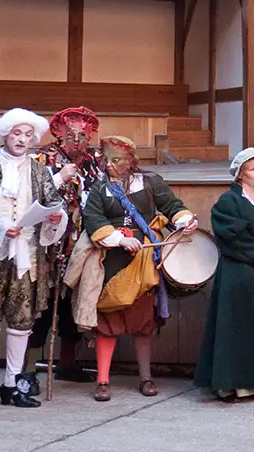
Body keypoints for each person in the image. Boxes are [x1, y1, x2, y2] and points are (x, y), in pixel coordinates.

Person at [83, 135, 196, 402]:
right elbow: (93, 219)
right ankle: (102, 380)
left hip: (145, 261)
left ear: (131, 160)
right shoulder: (99, 189)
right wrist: (120, 239)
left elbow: (172, 207)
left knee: (143, 323)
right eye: (106, 159)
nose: (109, 165)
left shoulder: (150, 182)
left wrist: (185, 221)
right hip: (111, 262)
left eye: (116, 159)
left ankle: (146, 377)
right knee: (107, 323)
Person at [194, 147, 254, 402]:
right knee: (235, 328)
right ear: (240, 174)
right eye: (252, 169)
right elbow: (230, 236)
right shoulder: (229, 202)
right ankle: (229, 384)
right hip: (238, 274)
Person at [0, 109, 67, 408]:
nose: (22, 139)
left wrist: (56, 217)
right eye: (17, 134)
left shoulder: (39, 171)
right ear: (6, 134)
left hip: (27, 254)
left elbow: (52, 204)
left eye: (27, 135)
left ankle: (13, 383)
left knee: (21, 318)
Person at [30, 106, 102, 383]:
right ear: (58, 132)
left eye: (82, 134)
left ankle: (68, 363)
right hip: (47, 243)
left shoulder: (95, 161)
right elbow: (34, 194)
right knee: (41, 304)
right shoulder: (42, 159)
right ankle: (27, 369)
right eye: (70, 134)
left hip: (83, 244)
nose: (76, 139)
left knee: (74, 303)